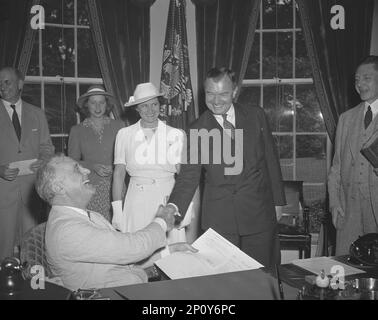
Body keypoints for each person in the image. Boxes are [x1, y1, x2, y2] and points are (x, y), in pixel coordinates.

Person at [163, 67, 286, 270]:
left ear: (235, 91)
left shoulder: (256, 116)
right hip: (220, 218)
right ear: (204, 92)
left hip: (259, 212)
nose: (217, 100)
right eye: (211, 94)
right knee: (226, 281)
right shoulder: (197, 129)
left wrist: (278, 201)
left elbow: (270, 160)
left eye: (223, 94)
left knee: (263, 277)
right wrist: (173, 207)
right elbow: (188, 177)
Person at [37, 155, 196, 291]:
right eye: (77, 169)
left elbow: (126, 261)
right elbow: (133, 248)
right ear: (59, 188)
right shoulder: (66, 230)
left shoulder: (89, 215)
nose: (87, 171)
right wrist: (162, 221)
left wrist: (169, 252)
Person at [112, 82, 195, 243]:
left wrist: (186, 207)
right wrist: (117, 209)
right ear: (136, 108)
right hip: (136, 201)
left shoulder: (176, 134)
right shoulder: (124, 134)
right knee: (138, 251)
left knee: (171, 253)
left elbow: (185, 176)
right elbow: (118, 174)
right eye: (144, 106)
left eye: (154, 104)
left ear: (160, 105)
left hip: (168, 199)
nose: (150, 110)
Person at [0, 67, 54, 261]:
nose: (2, 86)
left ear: (20, 84)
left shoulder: (37, 114)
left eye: (7, 82)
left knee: (32, 247)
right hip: (3, 193)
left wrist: (44, 160)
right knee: (3, 247)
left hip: (32, 192)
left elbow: (47, 147)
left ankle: (33, 287)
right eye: (0, 83)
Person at [328, 55, 378, 255]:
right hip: (348, 210)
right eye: (357, 80)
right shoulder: (346, 119)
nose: (360, 84)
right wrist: (334, 203)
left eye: (367, 78)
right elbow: (336, 167)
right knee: (347, 270)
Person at [68, 85, 124, 221]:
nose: (98, 107)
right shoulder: (77, 130)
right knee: (96, 230)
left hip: (116, 187)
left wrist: (116, 167)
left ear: (107, 104)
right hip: (91, 189)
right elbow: (72, 162)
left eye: (101, 102)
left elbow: (129, 157)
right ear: (86, 105)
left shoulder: (120, 126)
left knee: (119, 228)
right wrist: (93, 166)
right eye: (93, 103)